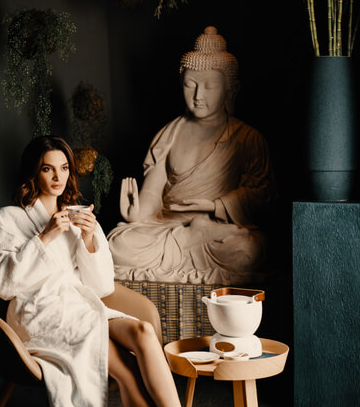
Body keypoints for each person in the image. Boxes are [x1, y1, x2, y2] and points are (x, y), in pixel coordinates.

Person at [0, 135, 232, 407]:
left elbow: (100, 287)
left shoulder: (77, 214)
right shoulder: (9, 219)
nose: (58, 177)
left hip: (80, 307)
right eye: (48, 169)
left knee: (143, 331)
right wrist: (45, 237)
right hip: (41, 315)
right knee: (125, 371)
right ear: (33, 173)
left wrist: (89, 240)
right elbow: (4, 285)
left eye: (64, 168)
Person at [108, 26, 275, 285]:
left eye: (210, 86)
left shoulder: (247, 138)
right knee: (118, 244)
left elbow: (261, 196)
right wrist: (137, 215)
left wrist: (214, 206)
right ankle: (188, 239)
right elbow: (152, 194)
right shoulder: (169, 134)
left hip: (218, 230)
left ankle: (193, 237)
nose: (198, 96)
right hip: (166, 227)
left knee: (248, 250)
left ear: (231, 90)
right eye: (190, 85)